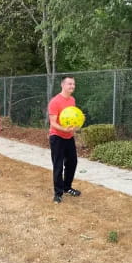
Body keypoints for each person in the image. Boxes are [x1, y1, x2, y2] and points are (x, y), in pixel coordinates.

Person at [48, 76, 82, 204]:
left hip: (69, 137)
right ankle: (58, 193)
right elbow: (52, 123)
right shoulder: (55, 101)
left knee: (72, 163)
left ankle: (67, 187)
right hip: (57, 137)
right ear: (62, 85)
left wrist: (76, 125)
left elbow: (72, 118)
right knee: (58, 165)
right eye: (69, 84)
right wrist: (64, 129)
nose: (72, 86)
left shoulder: (72, 100)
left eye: (73, 84)